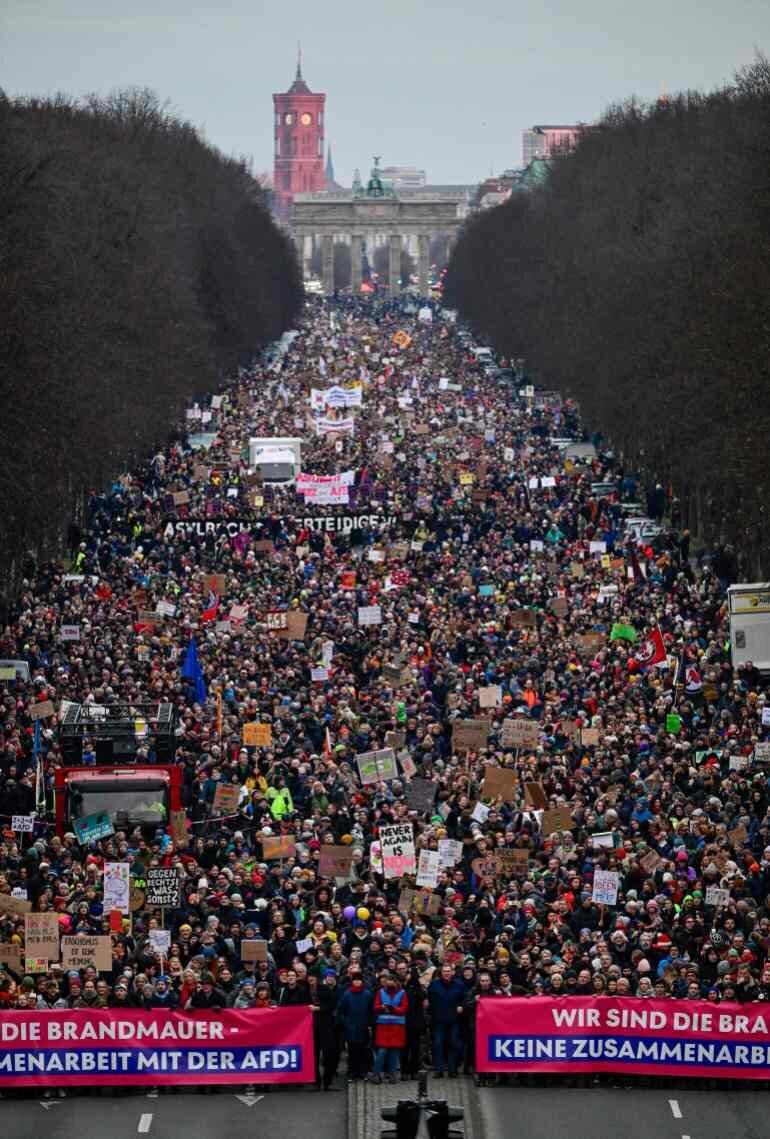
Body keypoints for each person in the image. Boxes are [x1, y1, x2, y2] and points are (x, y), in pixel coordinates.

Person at [428, 964, 465, 1078]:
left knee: (453, 1044)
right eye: (444, 971)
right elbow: (428, 999)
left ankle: (452, 1069)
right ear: (441, 972)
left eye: (448, 971)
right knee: (438, 1044)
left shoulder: (459, 985)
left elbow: (464, 999)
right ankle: (439, 1069)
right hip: (438, 1020)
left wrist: (461, 1005)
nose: (446, 973)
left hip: (454, 1020)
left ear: (452, 972)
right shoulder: (434, 985)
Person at [371, 972, 408, 1084]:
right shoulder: (380, 992)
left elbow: (404, 1008)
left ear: (396, 982)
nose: (389, 984)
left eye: (391, 982)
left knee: (394, 1051)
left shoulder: (402, 993)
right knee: (382, 1051)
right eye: (388, 982)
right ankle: (376, 1073)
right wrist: (382, 1007)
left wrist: (393, 1009)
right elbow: (375, 1007)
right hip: (383, 1027)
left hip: (397, 1027)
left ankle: (392, 1074)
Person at [337, 972, 373, 1083]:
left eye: (359, 980)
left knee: (363, 1051)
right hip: (351, 1028)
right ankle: (352, 1073)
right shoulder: (347, 994)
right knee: (352, 1052)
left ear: (362, 981)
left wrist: (369, 1024)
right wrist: (346, 1023)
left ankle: (362, 1072)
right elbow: (341, 1010)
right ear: (352, 982)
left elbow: (371, 1011)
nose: (357, 982)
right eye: (355, 980)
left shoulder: (367, 994)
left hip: (363, 1027)